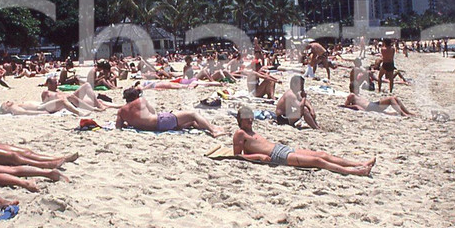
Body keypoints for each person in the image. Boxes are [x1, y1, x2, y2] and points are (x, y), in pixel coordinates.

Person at [232, 106, 375, 176]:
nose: (250, 120)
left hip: (281, 149)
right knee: (317, 162)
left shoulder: (250, 131)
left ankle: (359, 163)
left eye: (251, 117)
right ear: (240, 120)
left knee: (322, 154)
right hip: (277, 156)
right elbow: (237, 156)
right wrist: (258, 156)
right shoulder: (240, 133)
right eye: (247, 118)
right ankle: (356, 172)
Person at [116, 86, 225, 136]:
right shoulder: (140, 100)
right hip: (161, 122)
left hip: (155, 128)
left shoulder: (121, 111)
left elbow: (118, 127)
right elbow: (153, 112)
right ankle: (213, 130)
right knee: (193, 114)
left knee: (190, 122)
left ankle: (210, 127)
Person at [343, 83, 414, 117]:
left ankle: (407, 112)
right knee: (391, 99)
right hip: (370, 107)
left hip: (372, 105)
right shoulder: (352, 95)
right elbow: (345, 105)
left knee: (395, 98)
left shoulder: (356, 95)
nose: (358, 89)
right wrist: (355, 106)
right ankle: (402, 113)